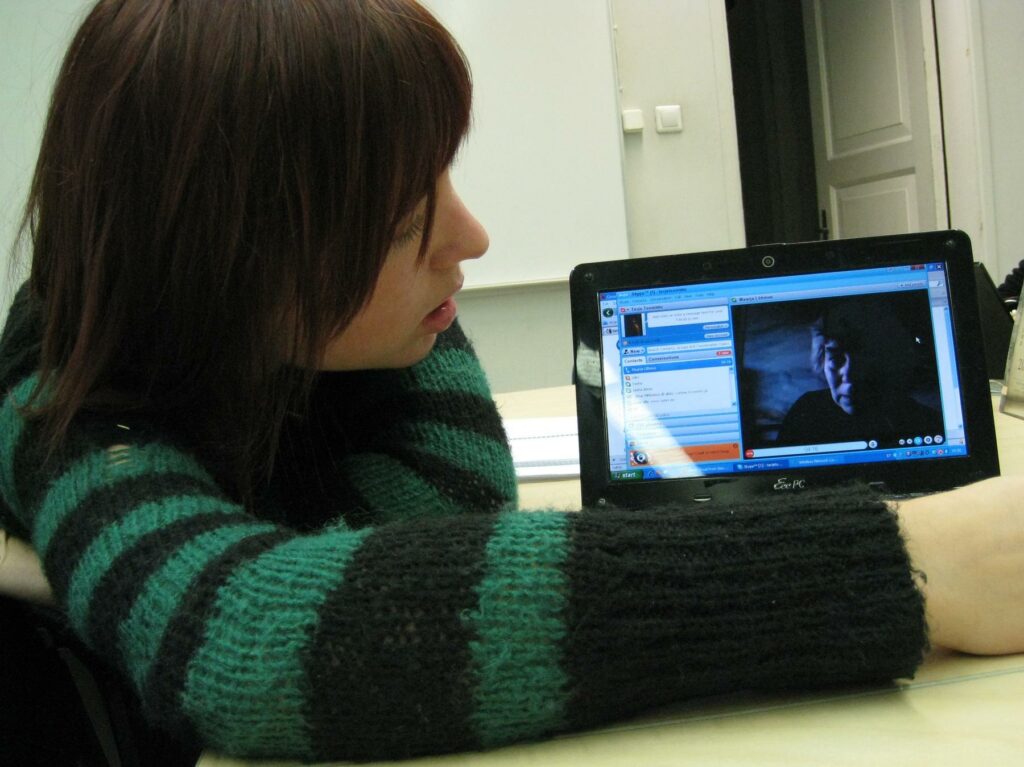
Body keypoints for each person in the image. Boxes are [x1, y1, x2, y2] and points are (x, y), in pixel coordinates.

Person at [0, 1, 1022, 764]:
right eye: (403, 223)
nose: (470, 239)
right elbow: (251, 641)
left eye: (442, 178)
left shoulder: (384, 323)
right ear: (225, 264)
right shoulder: (65, 390)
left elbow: (451, 506)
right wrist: (908, 564)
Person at [776, 297, 944, 446]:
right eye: (835, 357)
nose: (849, 375)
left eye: (865, 356)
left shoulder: (924, 422)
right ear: (822, 359)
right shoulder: (805, 414)